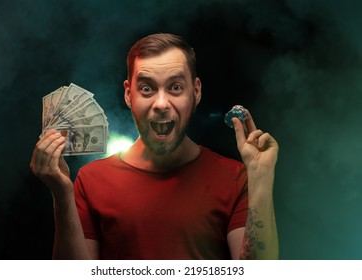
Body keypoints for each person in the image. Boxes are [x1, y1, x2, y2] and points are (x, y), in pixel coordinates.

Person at [30, 33, 279, 260]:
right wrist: (62, 195)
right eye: (147, 88)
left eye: (176, 87)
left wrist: (260, 176)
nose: (161, 103)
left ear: (196, 92)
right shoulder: (92, 179)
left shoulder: (234, 178)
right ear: (129, 95)